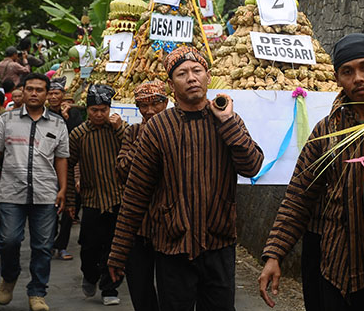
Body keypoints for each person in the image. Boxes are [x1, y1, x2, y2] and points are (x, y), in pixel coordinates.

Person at [258, 33, 364, 310]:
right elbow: (299, 195)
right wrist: (275, 254)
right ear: (337, 79)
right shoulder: (326, 131)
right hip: (335, 264)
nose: (358, 78)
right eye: (347, 72)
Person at [107, 46, 263, 310]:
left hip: (218, 243)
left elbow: (252, 166)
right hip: (172, 246)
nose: (191, 78)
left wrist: (228, 124)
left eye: (197, 71)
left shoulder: (227, 120)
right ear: (171, 84)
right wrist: (119, 251)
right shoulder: (158, 128)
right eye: (182, 73)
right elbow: (136, 193)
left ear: (207, 76)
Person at [0, 73, 69, 311]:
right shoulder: (5, 120)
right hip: (10, 191)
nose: (34, 93)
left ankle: (37, 293)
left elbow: (61, 159)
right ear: (24, 91)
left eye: (40, 89)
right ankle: (9, 276)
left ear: (47, 94)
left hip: (46, 193)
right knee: (9, 241)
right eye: (30, 89)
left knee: (43, 246)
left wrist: (63, 188)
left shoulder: (58, 124)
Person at [66, 84, 127, 306]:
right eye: (95, 110)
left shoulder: (120, 129)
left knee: (115, 248)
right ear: (87, 111)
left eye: (104, 109)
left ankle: (109, 288)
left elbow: (132, 149)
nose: (100, 114)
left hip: (118, 198)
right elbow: (69, 165)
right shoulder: (79, 134)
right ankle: (90, 275)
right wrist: (71, 200)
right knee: (90, 247)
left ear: (110, 109)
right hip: (92, 200)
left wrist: (119, 128)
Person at [114, 80, 168, 311]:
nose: (149, 111)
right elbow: (123, 170)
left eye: (155, 104)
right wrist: (144, 138)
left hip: (168, 223)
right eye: (142, 106)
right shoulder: (134, 131)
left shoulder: (175, 129)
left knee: (171, 287)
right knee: (140, 284)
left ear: (165, 103)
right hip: (139, 222)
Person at [47, 77, 83, 261]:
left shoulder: (73, 113)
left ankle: (61, 245)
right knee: (49, 207)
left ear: (63, 95)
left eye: (57, 93)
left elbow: (74, 139)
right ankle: (49, 243)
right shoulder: (43, 114)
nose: (53, 97)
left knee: (69, 207)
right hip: (47, 167)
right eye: (51, 93)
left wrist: (66, 117)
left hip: (68, 166)